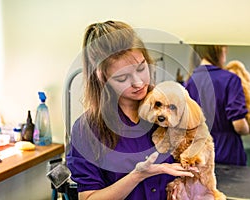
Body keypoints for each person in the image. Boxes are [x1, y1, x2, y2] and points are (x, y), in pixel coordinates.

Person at [66, 20, 198, 200]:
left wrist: (185, 183)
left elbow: (192, 156)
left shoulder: (169, 108)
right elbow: (88, 198)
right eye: (122, 77)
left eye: (142, 68)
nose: (138, 82)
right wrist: (137, 176)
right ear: (102, 78)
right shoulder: (87, 130)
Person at [183, 45, 250, 166]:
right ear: (219, 51)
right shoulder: (231, 79)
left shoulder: (189, 82)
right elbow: (239, 125)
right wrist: (249, 128)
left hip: (199, 153)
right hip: (227, 152)